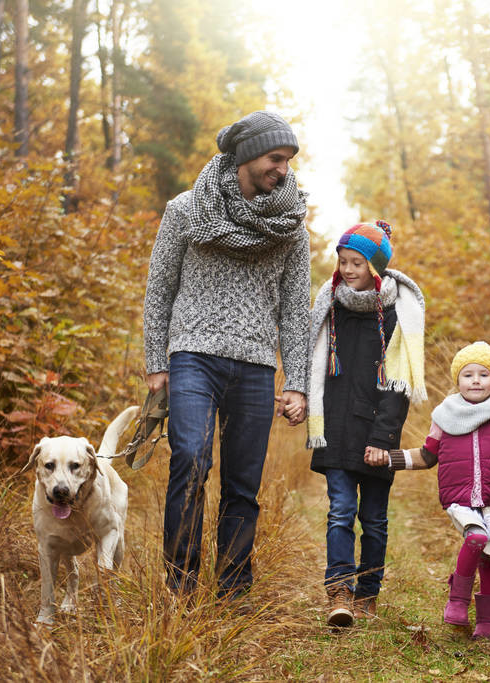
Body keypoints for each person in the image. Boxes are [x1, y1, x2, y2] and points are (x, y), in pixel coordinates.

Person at [143, 110, 311, 601]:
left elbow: (296, 312)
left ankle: (234, 588)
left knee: (243, 481)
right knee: (191, 460)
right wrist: (157, 362)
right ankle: (181, 584)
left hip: (257, 366)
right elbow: (160, 288)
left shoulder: (290, 228)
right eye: (275, 158)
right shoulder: (186, 211)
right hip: (192, 355)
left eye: (288, 161)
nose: (283, 169)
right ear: (246, 156)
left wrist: (296, 381)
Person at [306, 221, 427, 627]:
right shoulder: (330, 306)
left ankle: (368, 594)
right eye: (343, 261)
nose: (348, 268)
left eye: (357, 261)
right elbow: (314, 366)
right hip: (336, 429)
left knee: (373, 519)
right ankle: (339, 590)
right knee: (340, 510)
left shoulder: (396, 312)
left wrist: (383, 439)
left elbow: (399, 384)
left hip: (377, 432)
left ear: (374, 266)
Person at [382, 341, 490, 639]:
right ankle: (457, 598)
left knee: (488, 556)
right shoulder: (445, 415)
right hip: (459, 498)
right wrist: (389, 458)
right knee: (477, 537)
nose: (476, 380)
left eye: (483, 374)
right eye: (468, 375)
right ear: (458, 380)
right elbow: (427, 455)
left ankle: (488, 620)